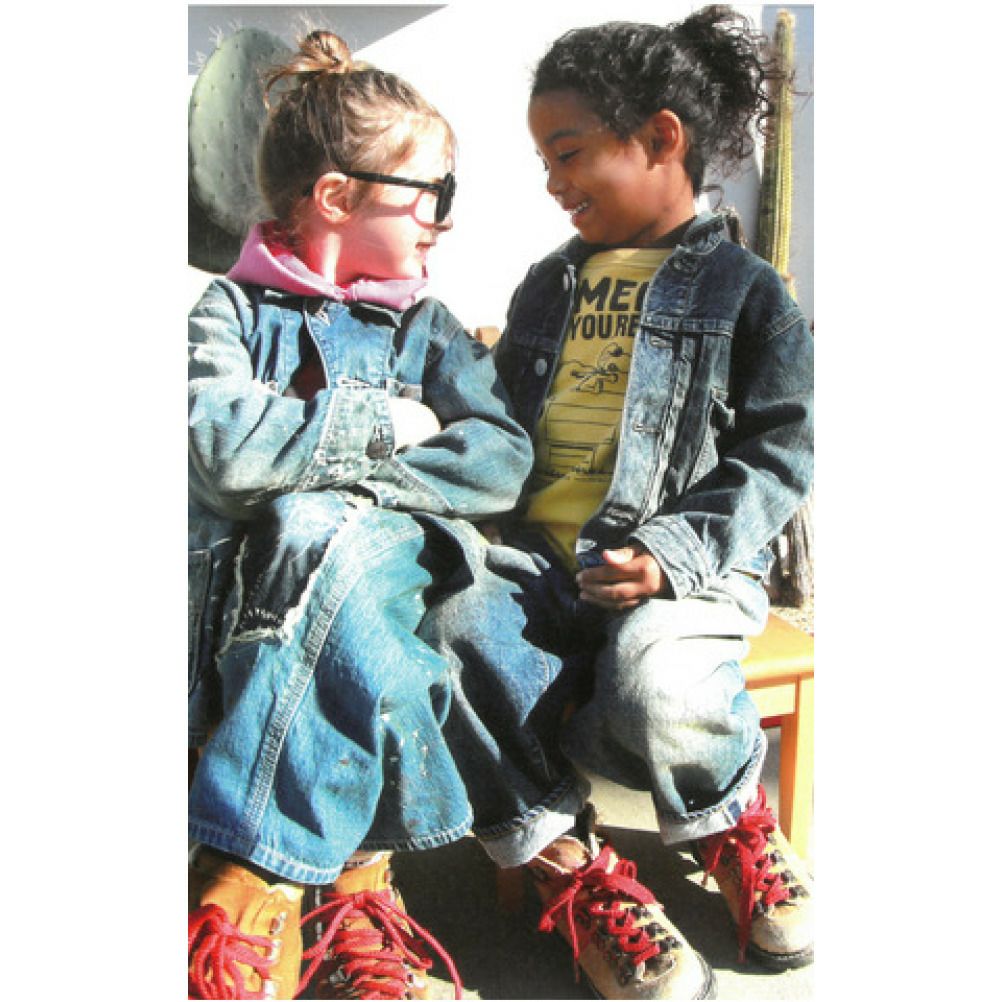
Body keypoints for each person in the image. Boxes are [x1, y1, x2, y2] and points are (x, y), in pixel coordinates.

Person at [420, 7, 814, 999]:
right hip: (541, 564)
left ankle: (731, 818)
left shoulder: (748, 293)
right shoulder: (547, 285)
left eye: (569, 153)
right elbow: (499, 419)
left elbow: (781, 452)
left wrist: (675, 554)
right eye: (544, 162)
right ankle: (567, 859)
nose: (553, 182)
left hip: (687, 571)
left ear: (660, 138)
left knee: (653, 678)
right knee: (449, 627)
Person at [186, 29, 552, 999]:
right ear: (337, 197)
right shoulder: (227, 313)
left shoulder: (427, 328)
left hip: (397, 571)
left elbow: (500, 457)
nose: (445, 219)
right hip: (240, 623)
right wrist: (391, 423)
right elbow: (224, 450)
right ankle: (356, 899)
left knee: (324, 529)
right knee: (350, 596)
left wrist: (336, 483)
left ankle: (247, 879)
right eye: (433, 191)